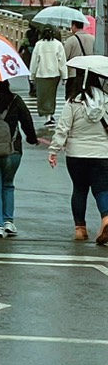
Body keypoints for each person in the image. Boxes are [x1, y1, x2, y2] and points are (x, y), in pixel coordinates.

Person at [47, 70, 108, 243]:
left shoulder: (74, 102)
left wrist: (54, 150)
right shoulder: (106, 100)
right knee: (102, 189)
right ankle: (106, 218)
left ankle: (80, 229)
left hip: (76, 154)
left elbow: (62, 128)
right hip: (103, 153)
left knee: (80, 189)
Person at [0, 79, 38, 236]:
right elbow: (26, 121)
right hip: (13, 150)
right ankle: (9, 222)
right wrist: (32, 138)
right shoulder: (15, 100)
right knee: (8, 185)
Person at [29, 28, 68, 127]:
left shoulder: (39, 45)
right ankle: (50, 114)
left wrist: (31, 75)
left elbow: (34, 61)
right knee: (51, 95)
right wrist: (65, 76)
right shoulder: (58, 44)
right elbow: (62, 62)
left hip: (41, 74)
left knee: (42, 96)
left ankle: (47, 115)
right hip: (54, 74)